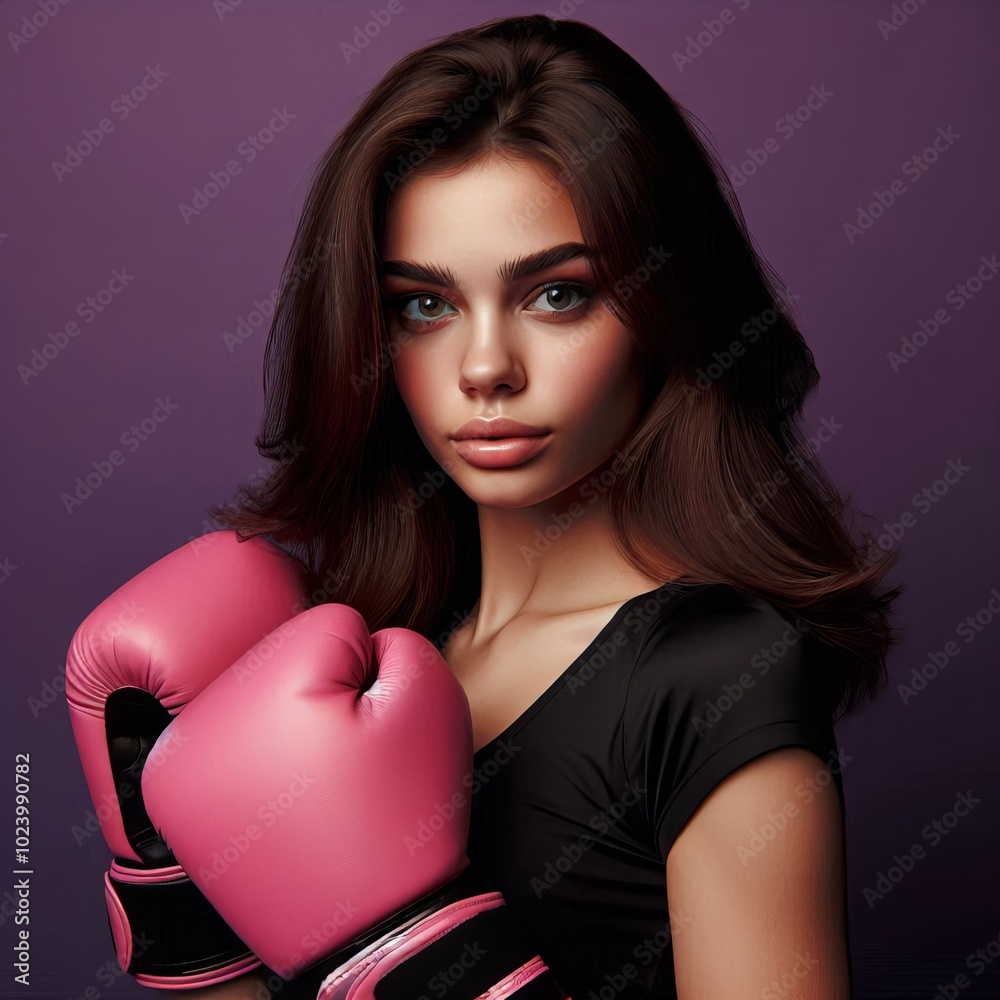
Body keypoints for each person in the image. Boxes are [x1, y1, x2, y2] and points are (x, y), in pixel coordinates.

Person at [184, 14, 904, 999]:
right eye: (423, 305)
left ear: (663, 311)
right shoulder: (372, 651)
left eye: (556, 295)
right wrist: (170, 879)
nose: (485, 367)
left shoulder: (716, 680)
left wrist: (421, 948)